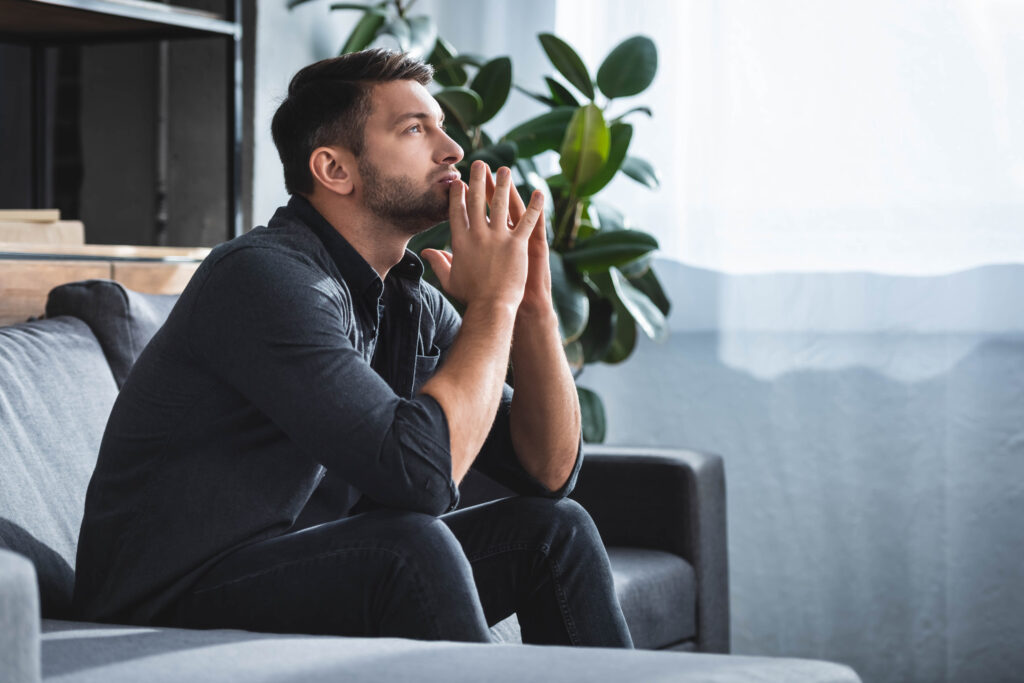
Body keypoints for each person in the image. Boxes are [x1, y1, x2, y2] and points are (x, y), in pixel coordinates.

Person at [72, 48, 633, 648]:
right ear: (335, 169)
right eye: (416, 129)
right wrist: (493, 305)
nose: (452, 150)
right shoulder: (263, 278)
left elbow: (547, 473)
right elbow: (421, 480)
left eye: (442, 127)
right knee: (409, 544)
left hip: (305, 573)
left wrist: (531, 305)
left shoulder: (406, 295)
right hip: (166, 602)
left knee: (555, 531)